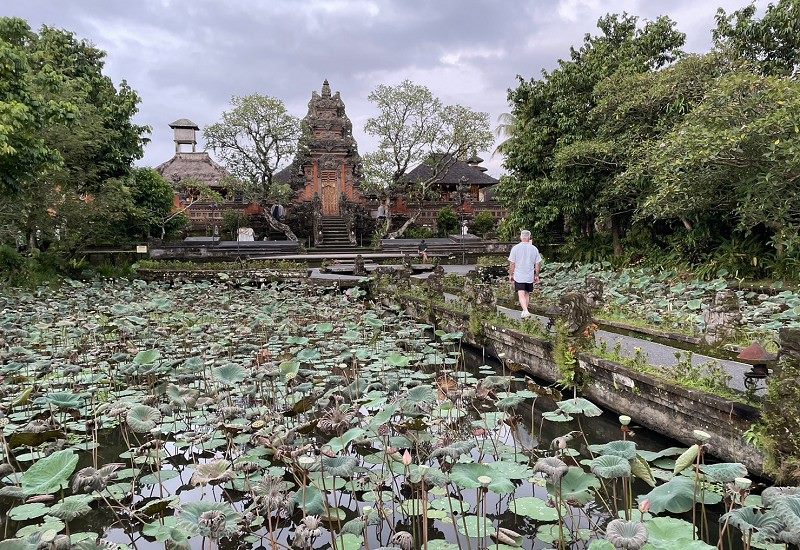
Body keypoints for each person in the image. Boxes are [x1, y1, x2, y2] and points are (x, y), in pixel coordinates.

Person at [508, 229, 542, 318]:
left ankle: (525, 310)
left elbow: (512, 263)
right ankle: (525, 311)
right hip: (529, 275)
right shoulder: (534, 249)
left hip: (519, 275)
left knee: (521, 293)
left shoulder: (515, 248)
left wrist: (511, 274)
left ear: (521, 237)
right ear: (529, 237)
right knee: (526, 293)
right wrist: (537, 275)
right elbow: (537, 263)